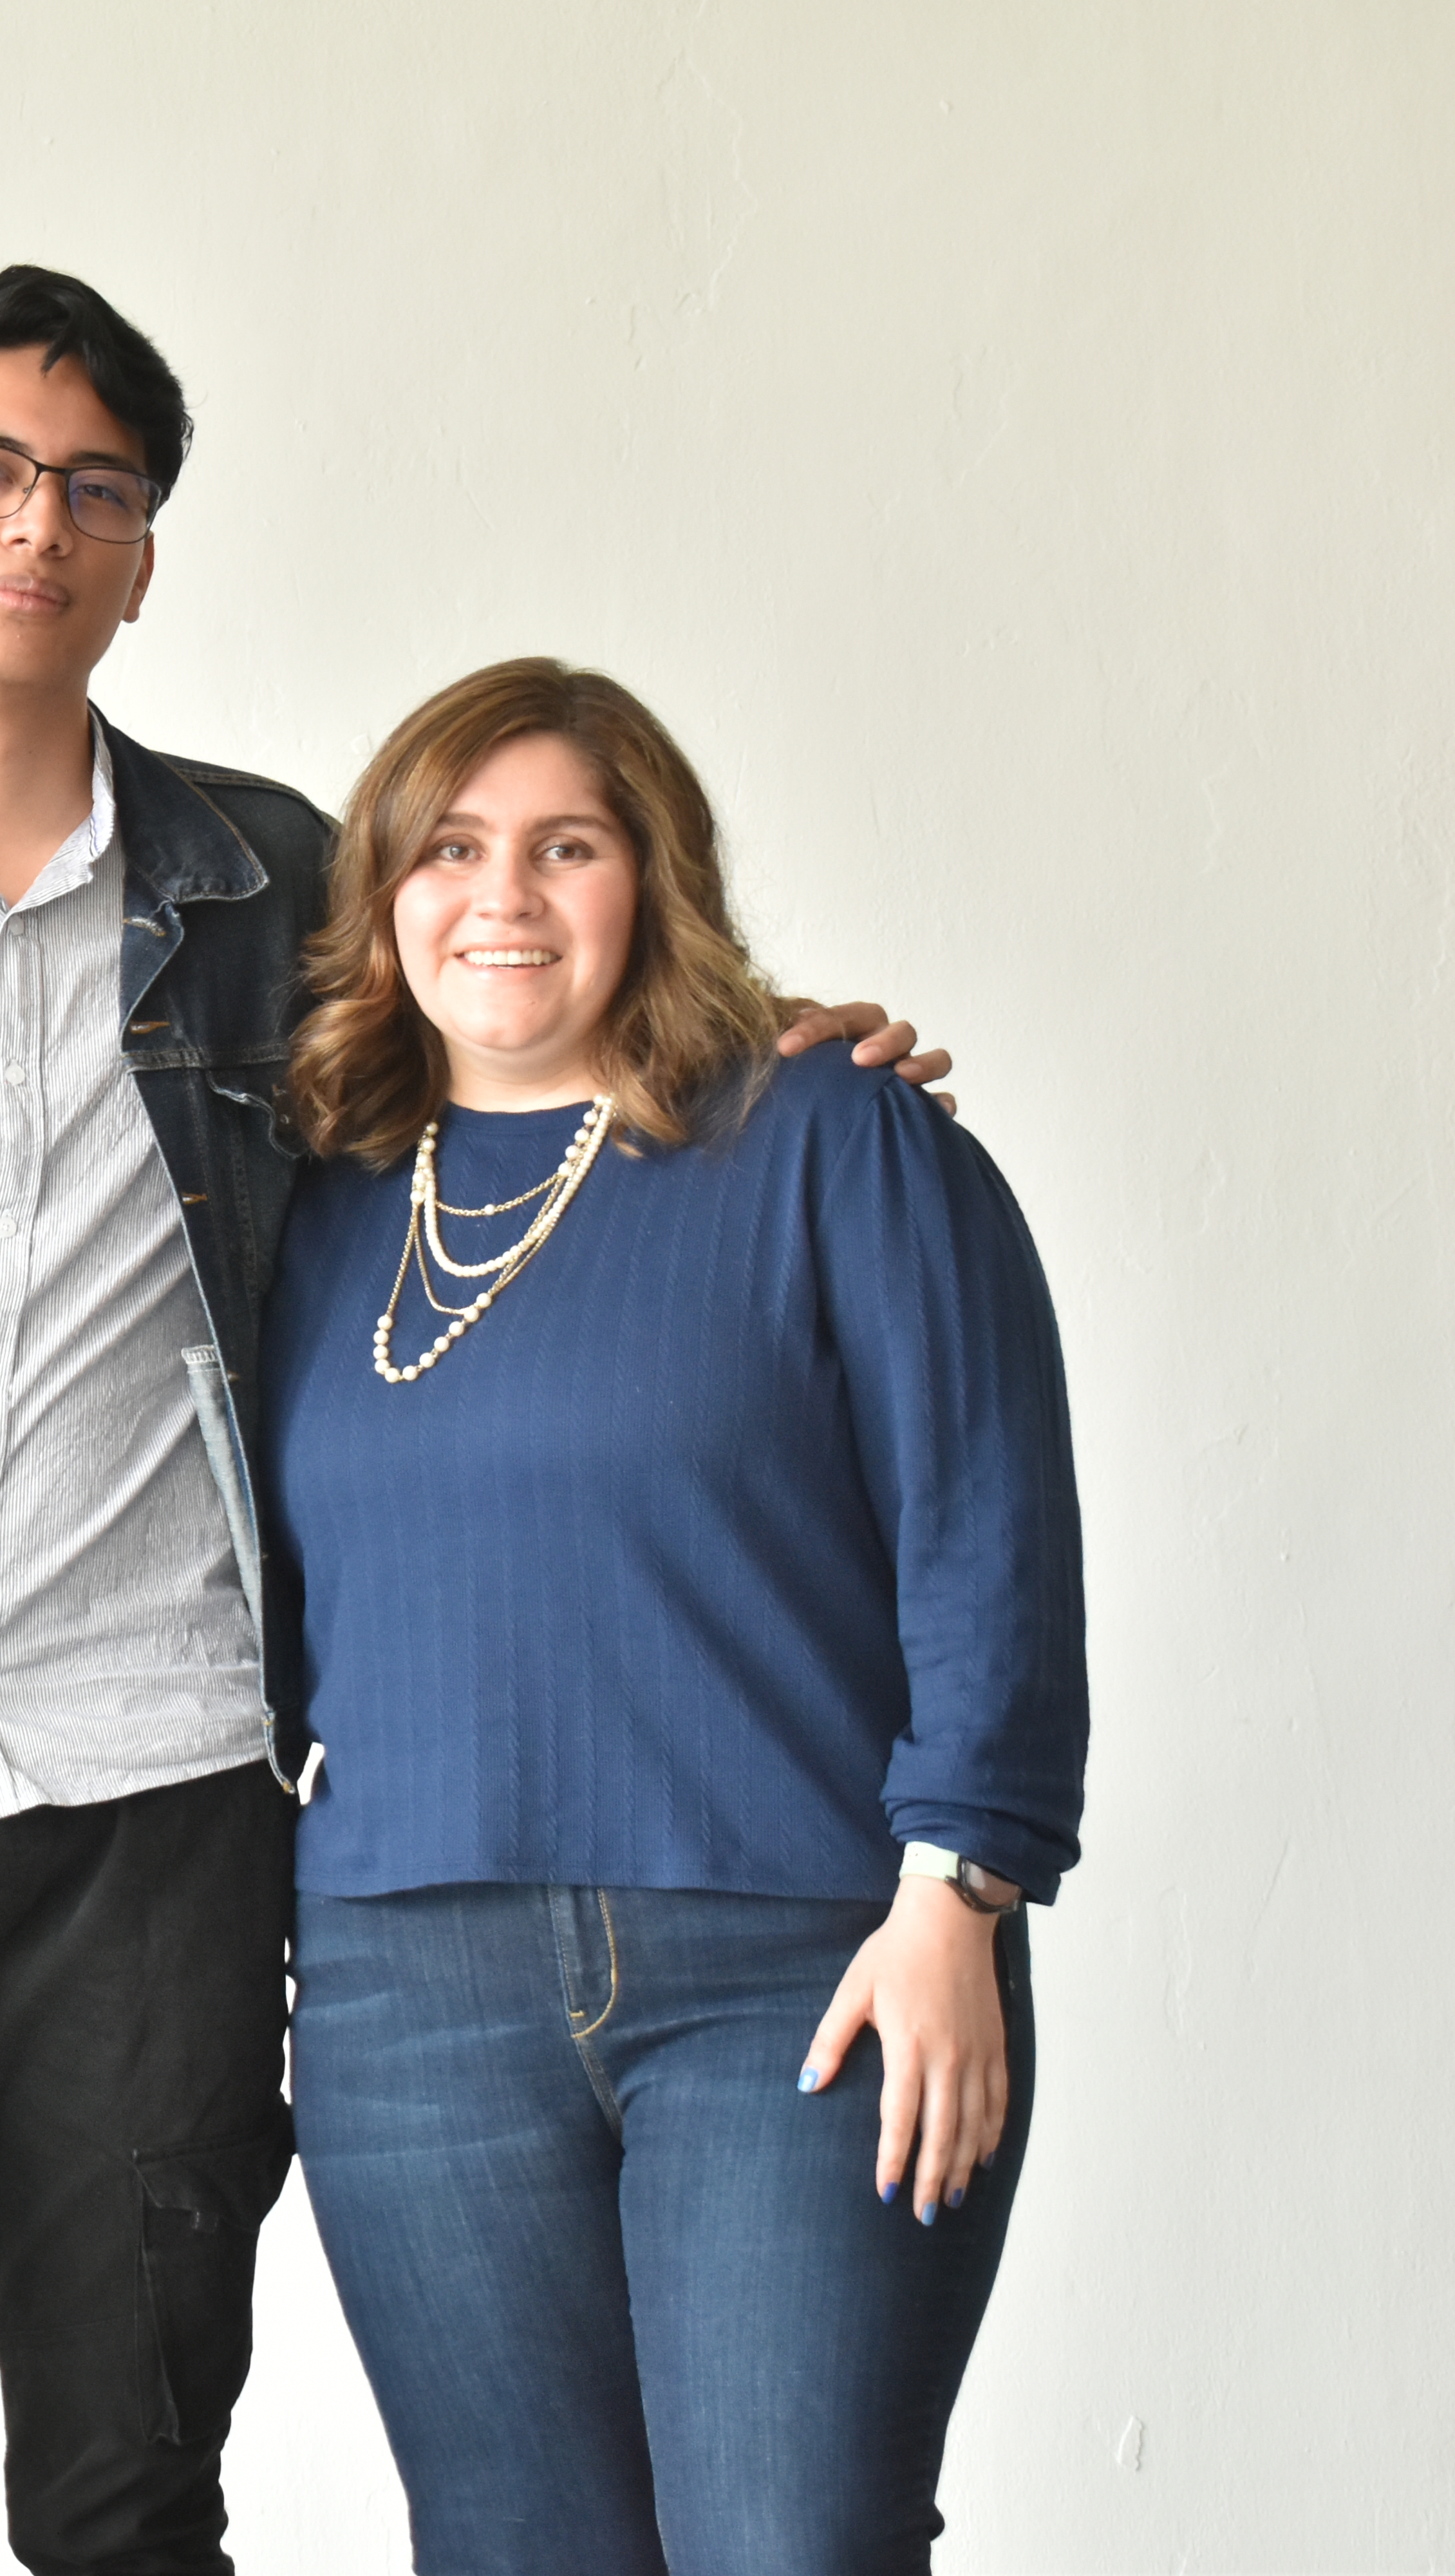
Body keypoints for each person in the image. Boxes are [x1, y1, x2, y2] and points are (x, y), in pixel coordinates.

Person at [0, 265, 947, 2573]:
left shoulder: (268, 896)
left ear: (139, 553)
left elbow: (510, 1010)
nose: (37, 524)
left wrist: (756, 1031)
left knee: (128, 2507)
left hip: (160, 1817)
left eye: (96, 489)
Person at [255, 659, 1084, 2573]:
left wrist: (960, 1897)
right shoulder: (315, 1208)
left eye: (569, 846)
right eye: (451, 849)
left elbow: (988, 1523)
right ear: (384, 895)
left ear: (658, 881)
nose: (506, 899)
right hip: (407, 1989)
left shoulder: (831, 1141)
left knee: (794, 2542)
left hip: (800, 1976)